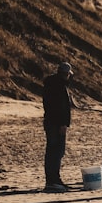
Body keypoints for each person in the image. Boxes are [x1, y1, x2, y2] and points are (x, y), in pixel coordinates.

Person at [42, 61, 73, 192]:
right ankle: (53, 180)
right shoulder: (59, 86)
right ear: (66, 74)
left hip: (51, 122)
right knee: (56, 152)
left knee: (53, 151)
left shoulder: (52, 84)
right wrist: (62, 124)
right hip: (56, 124)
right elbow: (59, 108)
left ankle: (53, 179)